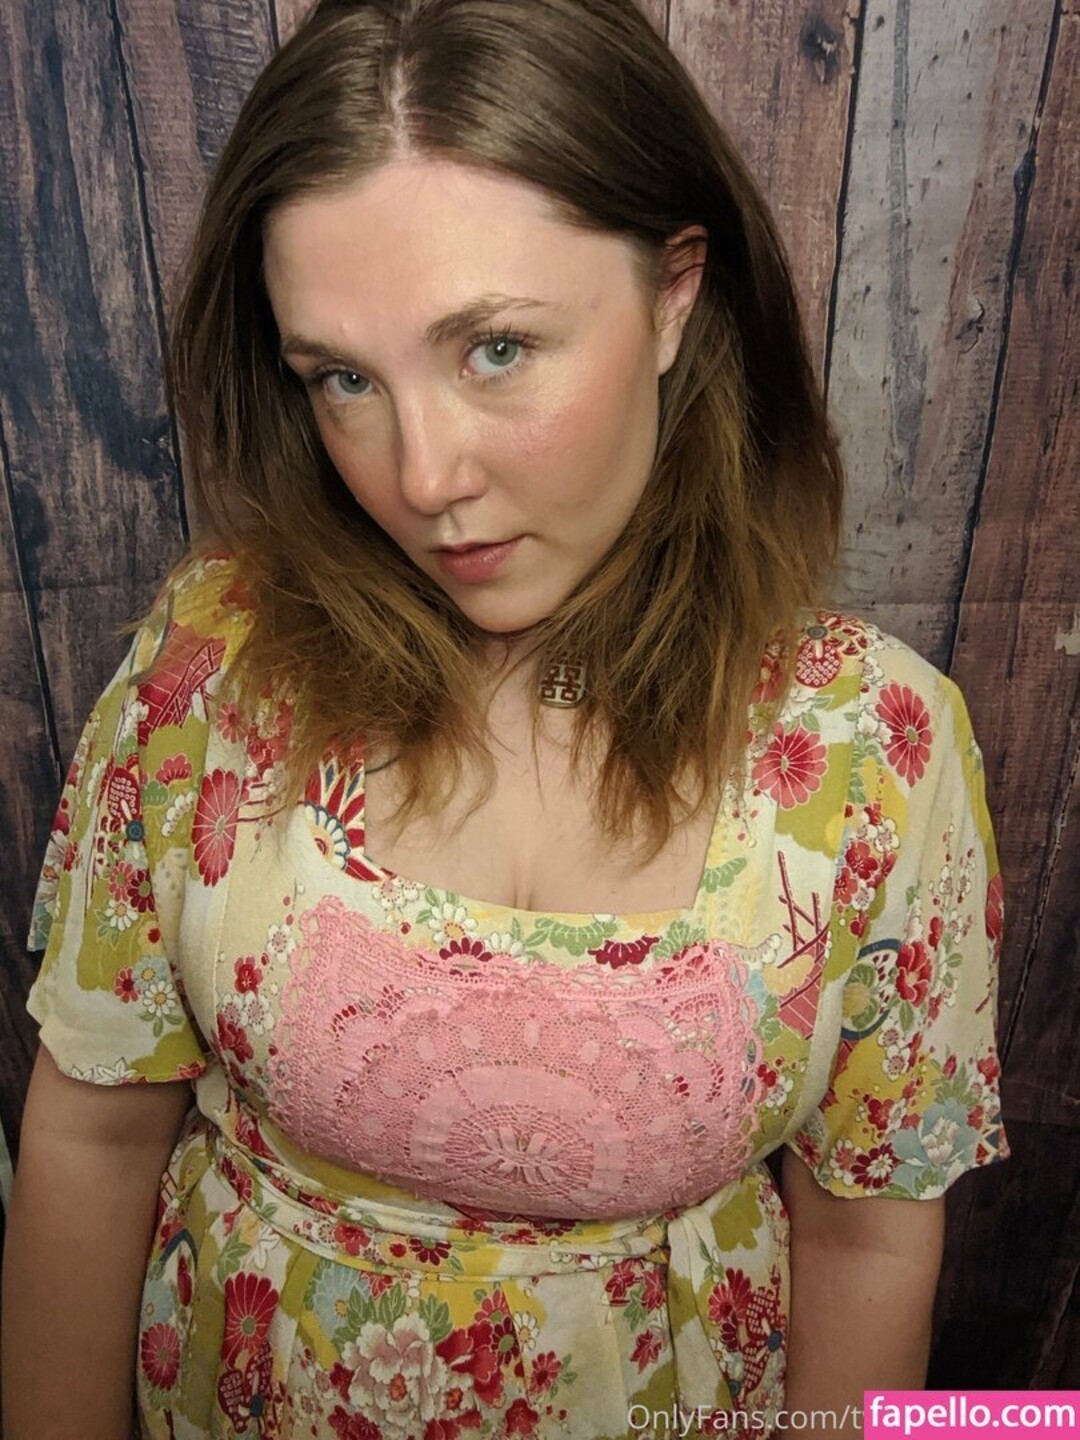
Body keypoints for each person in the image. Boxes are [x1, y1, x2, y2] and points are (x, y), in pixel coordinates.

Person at [2, 1, 1010, 1437]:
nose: (422, 478)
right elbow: (95, 1136)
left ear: (674, 295)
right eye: (344, 378)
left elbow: (866, 1235)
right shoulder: (214, 665)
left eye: (493, 350)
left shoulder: (872, 746)